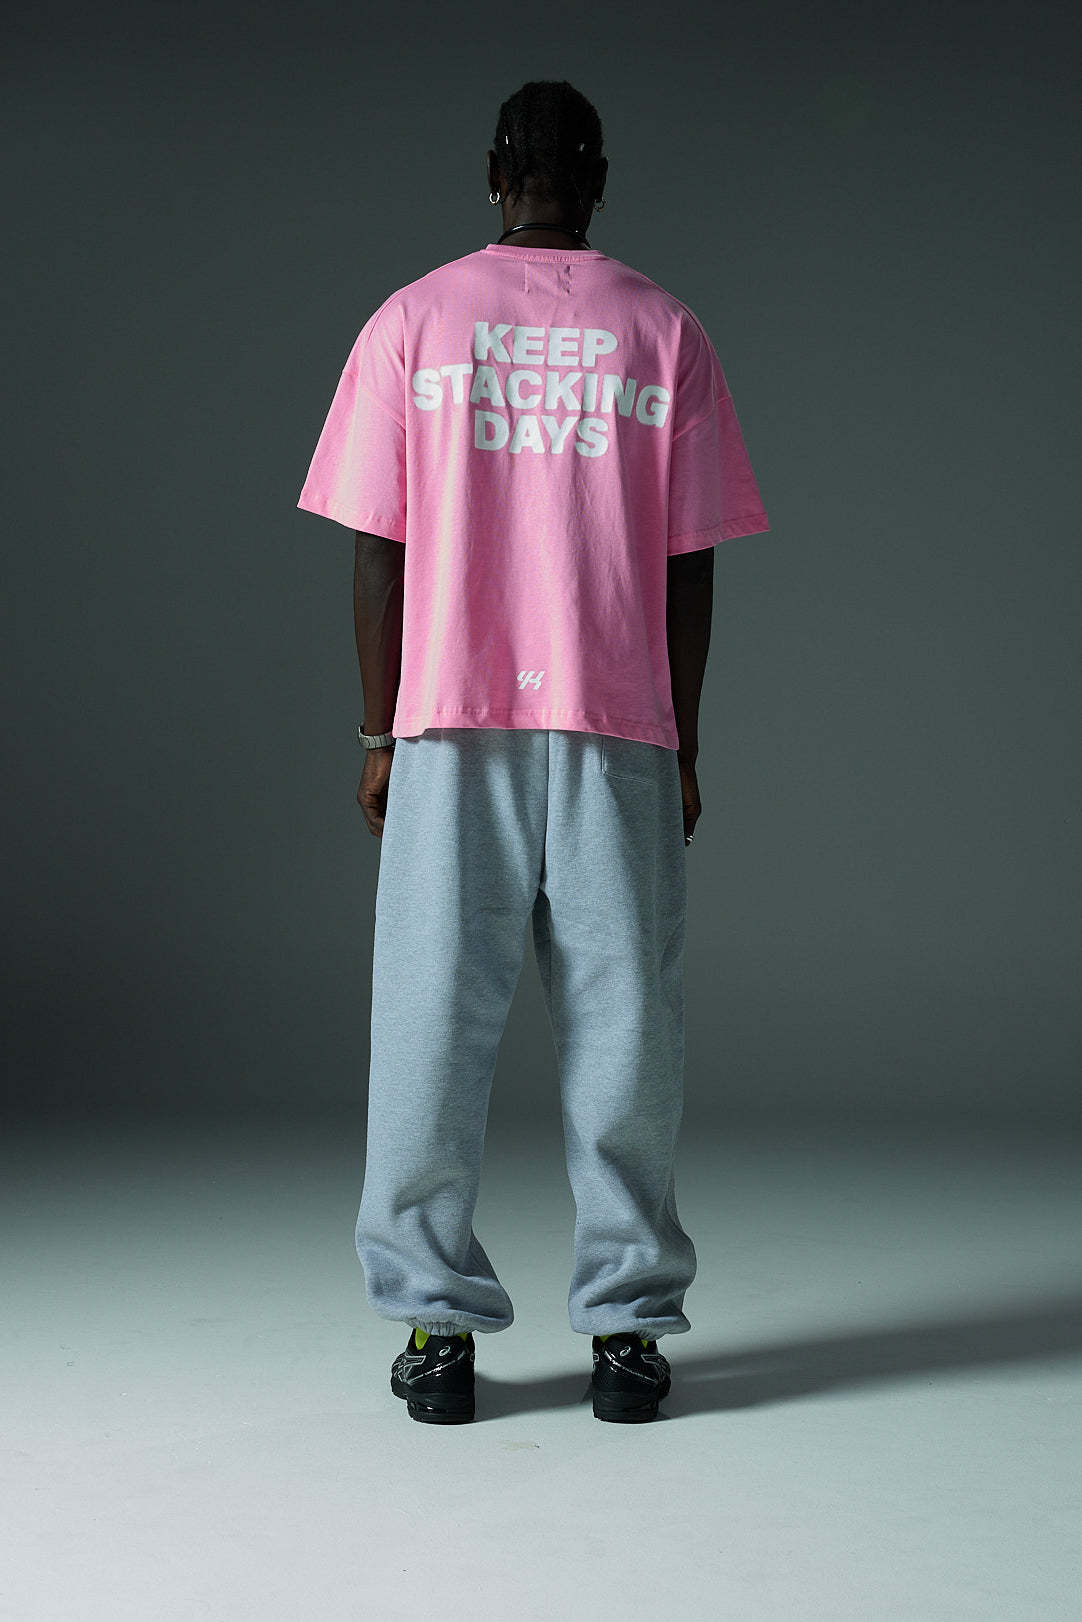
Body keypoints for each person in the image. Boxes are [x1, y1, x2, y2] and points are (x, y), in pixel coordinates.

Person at [297, 79, 770, 1424]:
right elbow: (688, 565)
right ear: (599, 176)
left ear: (492, 171)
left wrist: (379, 730)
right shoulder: (662, 330)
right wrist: (683, 739)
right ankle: (627, 1329)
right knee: (628, 1029)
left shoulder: (413, 321)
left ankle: (436, 1329)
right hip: (617, 721)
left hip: (451, 721)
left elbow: (378, 547)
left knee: (428, 1024)